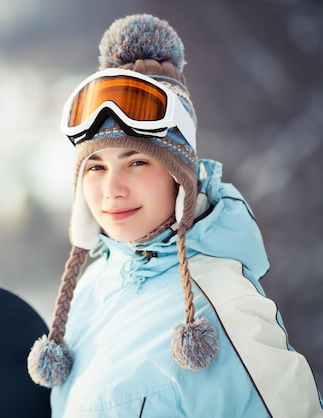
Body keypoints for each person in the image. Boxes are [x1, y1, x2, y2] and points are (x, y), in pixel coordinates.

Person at [27, 13, 323, 417]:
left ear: (178, 178)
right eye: (96, 167)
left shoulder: (221, 308)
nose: (112, 189)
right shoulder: (95, 284)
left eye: (137, 163)